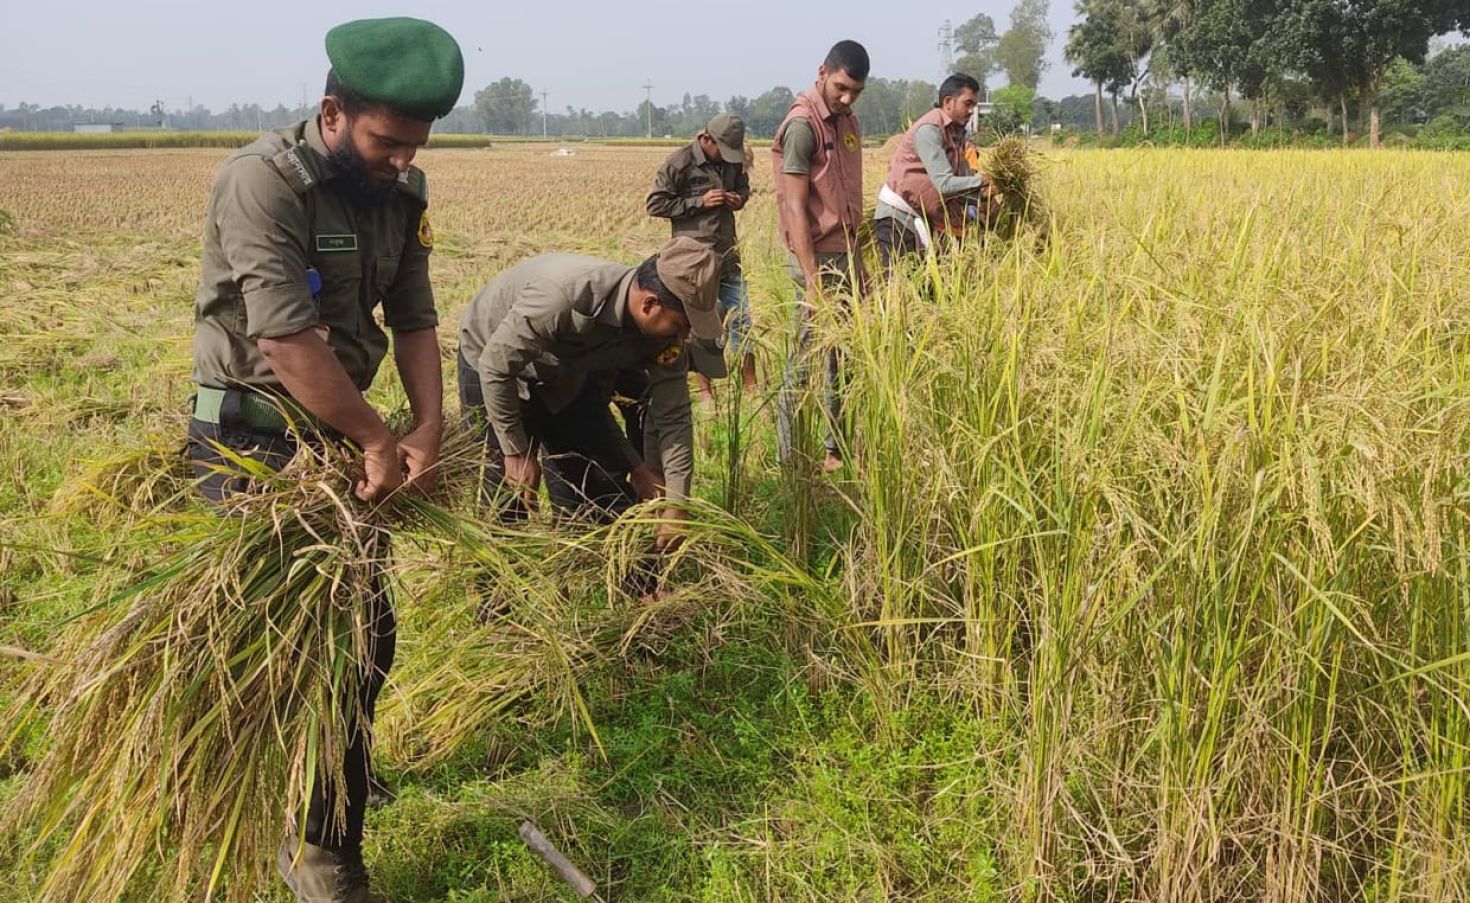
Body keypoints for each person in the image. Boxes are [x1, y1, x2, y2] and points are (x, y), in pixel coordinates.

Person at [183, 17, 463, 902]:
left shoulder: (401, 194)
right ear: (333, 112)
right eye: (387, 142)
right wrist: (379, 438)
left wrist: (426, 424)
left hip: (342, 440)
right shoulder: (262, 184)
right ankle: (284, 829)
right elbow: (285, 338)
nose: (402, 161)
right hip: (250, 441)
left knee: (366, 638)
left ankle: (326, 810)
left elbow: (413, 319)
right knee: (266, 648)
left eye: (416, 146)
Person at [456, 237, 723, 544]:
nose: (684, 336)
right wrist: (515, 450)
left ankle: (576, 561)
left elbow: (673, 416)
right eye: (681, 325)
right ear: (649, 305)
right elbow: (496, 366)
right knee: (506, 489)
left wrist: (676, 503)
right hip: (491, 359)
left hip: (567, 370)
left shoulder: (662, 337)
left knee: (592, 481)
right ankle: (497, 586)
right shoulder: (563, 297)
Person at [771, 40, 870, 473]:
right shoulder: (801, 125)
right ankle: (789, 458)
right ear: (822, 72)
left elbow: (849, 198)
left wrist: (861, 264)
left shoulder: (848, 122)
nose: (846, 98)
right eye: (841, 87)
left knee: (842, 360)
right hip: (816, 260)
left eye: (855, 91)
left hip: (846, 256)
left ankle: (836, 450)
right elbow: (795, 207)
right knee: (805, 361)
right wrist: (812, 281)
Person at [645, 113, 756, 403]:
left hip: (728, 257)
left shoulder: (732, 160)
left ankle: (751, 386)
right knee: (698, 327)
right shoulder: (679, 162)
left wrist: (737, 199)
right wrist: (699, 202)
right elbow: (655, 203)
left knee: (743, 321)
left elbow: (744, 188)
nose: (727, 157)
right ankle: (705, 391)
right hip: (694, 262)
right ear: (706, 139)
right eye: (721, 149)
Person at [874, 73, 998, 269]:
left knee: (924, 286)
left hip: (922, 218)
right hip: (898, 217)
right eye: (968, 103)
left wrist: (986, 199)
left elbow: (962, 184)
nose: (971, 110)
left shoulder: (956, 136)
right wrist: (983, 181)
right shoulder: (929, 130)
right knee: (899, 286)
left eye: (974, 105)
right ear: (948, 102)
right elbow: (945, 184)